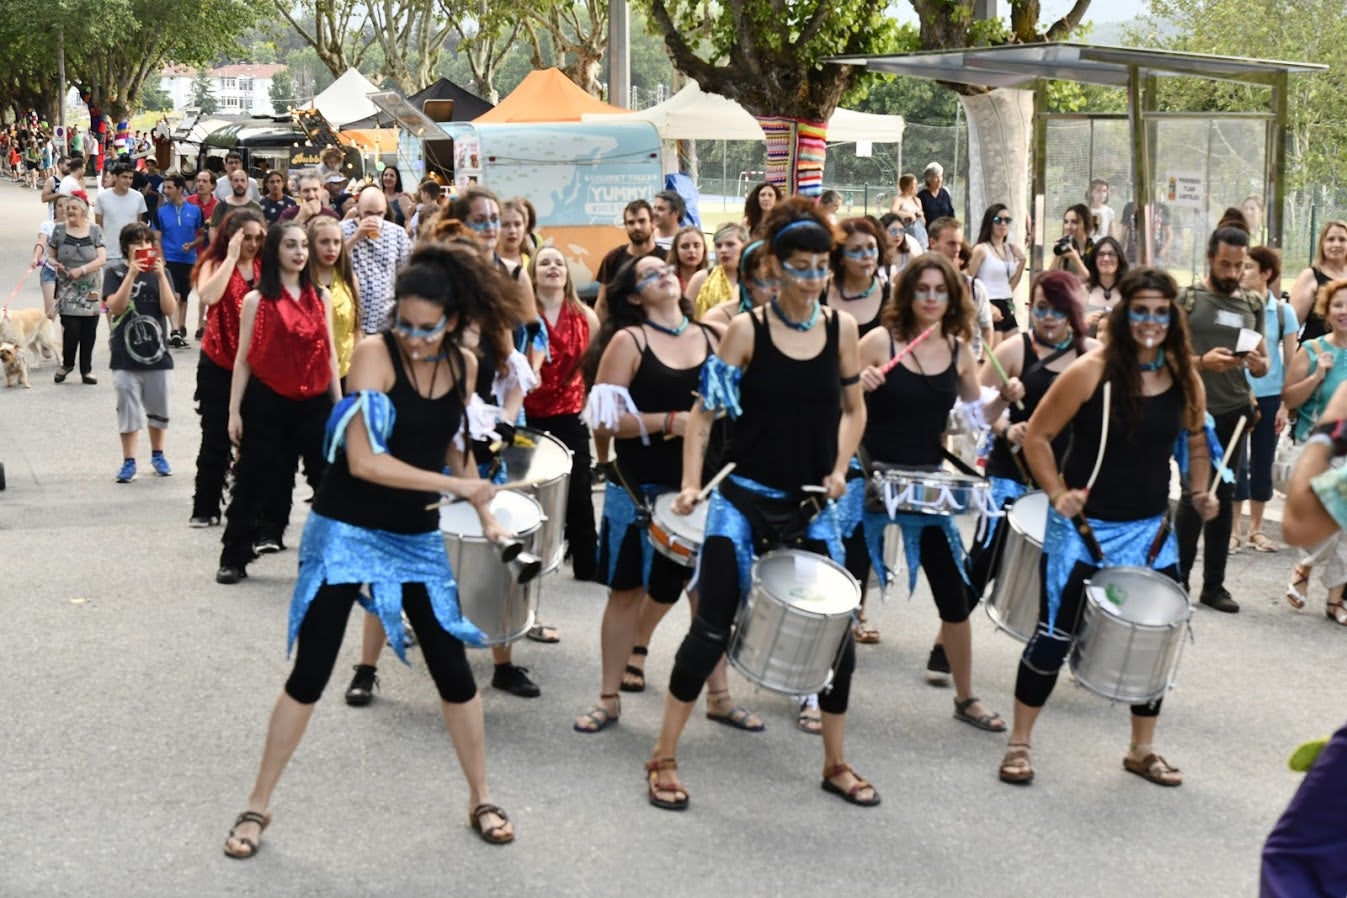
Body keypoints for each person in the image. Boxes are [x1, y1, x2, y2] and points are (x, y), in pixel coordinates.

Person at [220, 243, 519, 858]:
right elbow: (365, 460)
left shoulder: (463, 365)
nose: (412, 336)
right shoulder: (375, 355)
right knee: (311, 672)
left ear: (456, 320)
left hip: (413, 538)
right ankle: (257, 805)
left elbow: (453, 445)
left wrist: (486, 510)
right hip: (347, 529)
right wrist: (455, 486)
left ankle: (481, 796)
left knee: (454, 669)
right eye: (403, 323)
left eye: (425, 327)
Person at [645, 197, 874, 811]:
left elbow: (854, 412)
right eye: (800, 268)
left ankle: (835, 762)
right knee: (710, 628)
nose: (812, 280)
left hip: (809, 507)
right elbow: (702, 417)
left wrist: (837, 467)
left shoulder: (842, 331)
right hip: (742, 502)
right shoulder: (747, 331)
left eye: (821, 268)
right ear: (775, 266)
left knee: (839, 643)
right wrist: (693, 482)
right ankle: (663, 754)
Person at [999, 267, 1216, 788]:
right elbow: (1037, 439)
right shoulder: (1091, 372)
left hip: (1150, 531)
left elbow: (1197, 441)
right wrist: (1056, 494)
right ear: (1124, 315)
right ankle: (1019, 744)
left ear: (1173, 319)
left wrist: (1199, 490)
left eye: (1160, 311)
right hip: (1081, 529)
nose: (1150, 321)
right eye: (1139, 309)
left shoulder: (1185, 378)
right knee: (1052, 638)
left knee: (1156, 637)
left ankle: (1142, 749)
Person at [577, 254, 761, 735]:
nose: (665, 275)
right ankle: (608, 698)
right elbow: (603, 420)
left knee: (709, 595)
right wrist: (670, 422)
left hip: (703, 486)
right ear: (634, 295)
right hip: (640, 486)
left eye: (666, 269)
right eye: (651, 274)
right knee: (626, 594)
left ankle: (719, 697)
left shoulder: (714, 336)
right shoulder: (628, 340)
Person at [857, 252, 1021, 730]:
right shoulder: (878, 341)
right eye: (922, 289)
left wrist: (1002, 404)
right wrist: (860, 385)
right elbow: (837, 404)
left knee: (954, 595)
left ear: (953, 298)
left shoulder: (957, 350)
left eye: (940, 291)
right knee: (845, 592)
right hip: (868, 481)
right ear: (907, 293)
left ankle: (966, 697)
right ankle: (815, 691)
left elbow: (974, 423)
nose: (930, 298)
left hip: (925, 489)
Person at [217, 220, 341, 584]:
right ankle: (234, 556)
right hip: (268, 400)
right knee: (253, 479)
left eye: (304, 245)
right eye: (291, 245)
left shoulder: (322, 296)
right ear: (275, 250)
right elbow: (243, 359)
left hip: (316, 400)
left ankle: (332, 556)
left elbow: (330, 355)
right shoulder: (256, 300)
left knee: (328, 482)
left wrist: (340, 405)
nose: (300, 252)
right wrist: (233, 412)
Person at [967, 270, 1099, 595]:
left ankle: (1048, 641)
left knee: (1060, 576)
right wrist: (1006, 422)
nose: (1049, 317)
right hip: (1011, 474)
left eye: (1058, 309)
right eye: (1041, 308)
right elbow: (977, 414)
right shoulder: (1013, 351)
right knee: (983, 562)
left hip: (1067, 481)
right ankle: (947, 640)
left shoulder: (1094, 354)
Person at [1175, 226, 1270, 613]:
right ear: (1210, 260)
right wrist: (1202, 363)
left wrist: (1259, 365)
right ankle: (1175, 581)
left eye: (1239, 265)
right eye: (1225, 264)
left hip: (1234, 411)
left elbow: (1262, 366)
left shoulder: (1253, 303)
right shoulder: (1188, 300)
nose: (1232, 272)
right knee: (1192, 496)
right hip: (1194, 411)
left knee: (1224, 494)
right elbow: (1169, 358)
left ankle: (1213, 586)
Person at [523, 246, 599, 582]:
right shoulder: (521, 317)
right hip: (527, 415)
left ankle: (587, 564)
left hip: (570, 415)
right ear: (533, 272)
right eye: (544, 263)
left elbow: (595, 367)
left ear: (567, 274)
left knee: (580, 492)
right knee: (525, 492)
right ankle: (523, 562)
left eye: (558, 263)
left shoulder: (585, 316)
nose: (552, 267)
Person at [189, 209, 266, 528]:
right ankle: (205, 506)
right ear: (231, 237)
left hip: (257, 365)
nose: (252, 244)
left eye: (258, 237)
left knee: (258, 439)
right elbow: (208, 295)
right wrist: (232, 258)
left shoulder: (267, 266)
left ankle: (253, 506)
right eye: (245, 238)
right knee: (216, 436)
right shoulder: (215, 264)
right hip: (219, 362)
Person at [1281, 276, 1347, 622]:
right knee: (1337, 515)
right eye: (1338, 304)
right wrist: (1318, 376)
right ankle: (1306, 567)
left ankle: (1335, 598)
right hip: (1317, 449)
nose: (1345, 311)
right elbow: (1289, 399)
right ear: (1327, 309)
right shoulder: (1312, 350)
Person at [1232, 246, 1296, 556]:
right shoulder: (1235, 307)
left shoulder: (1284, 313)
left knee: (1262, 462)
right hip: (1236, 395)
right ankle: (1234, 530)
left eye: (1247, 267)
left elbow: (1292, 362)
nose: (1241, 272)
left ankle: (1256, 529)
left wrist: (1287, 404)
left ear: (1265, 274)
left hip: (1270, 398)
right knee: (1236, 461)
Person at [103, 223, 177, 483]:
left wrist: (159, 277)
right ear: (126, 247)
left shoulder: (163, 273)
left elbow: (169, 309)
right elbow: (116, 307)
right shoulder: (114, 273)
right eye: (137, 243)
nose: (143, 248)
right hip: (124, 354)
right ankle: (129, 460)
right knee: (127, 409)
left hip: (157, 354)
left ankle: (158, 454)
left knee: (159, 407)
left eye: (147, 243)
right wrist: (131, 275)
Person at [49, 190, 106, 385]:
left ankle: (86, 370)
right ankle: (67, 364)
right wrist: (54, 263)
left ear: (83, 210)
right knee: (71, 327)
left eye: (73, 208)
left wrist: (82, 269)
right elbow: (50, 255)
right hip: (67, 287)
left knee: (89, 331)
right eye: (67, 208)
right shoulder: (59, 230)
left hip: (90, 287)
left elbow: (102, 259)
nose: (69, 211)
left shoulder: (95, 230)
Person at [342, 186, 413, 336]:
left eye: (379, 213)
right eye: (368, 213)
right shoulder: (342, 230)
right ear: (358, 208)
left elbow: (407, 275)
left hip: (386, 324)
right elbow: (332, 266)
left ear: (386, 211)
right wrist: (356, 237)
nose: (374, 218)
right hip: (350, 325)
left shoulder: (397, 233)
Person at [928, 216, 993, 362]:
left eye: (959, 243)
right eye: (951, 243)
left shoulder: (975, 288)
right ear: (933, 242)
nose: (957, 249)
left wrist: (982, 362)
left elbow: (987, 330)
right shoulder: (917, 285)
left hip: (969, 364)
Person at [152, 173, 205, 343]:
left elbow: (202, 235)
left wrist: (192, 244)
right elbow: (156, 238)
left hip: (189, 260)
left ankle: (180, 328)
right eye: (164, 187)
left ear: (180, 189)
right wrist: (161, 258)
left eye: (169, 187)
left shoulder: (195, 211)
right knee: (173, 295)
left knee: (183, 297)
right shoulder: (160, 213)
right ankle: (174, 330)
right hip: (169, 259)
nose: (166, 191)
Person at [308, 216, 361, 386]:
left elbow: (357, 328)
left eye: (337, 242)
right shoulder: (301, 281)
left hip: (346, 371)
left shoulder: (349, 280)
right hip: (309, 374)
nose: (332, 248)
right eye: (324, 242)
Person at [594, 199, 665, 319]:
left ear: (653, 223)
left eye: (642, 221)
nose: (636, 227)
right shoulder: (613, 258)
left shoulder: (666, 258)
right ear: (625, 226)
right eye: (631, 223)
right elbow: (602, 304)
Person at [968, 204, 1026, 344]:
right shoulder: (981, 249)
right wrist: (986, 305)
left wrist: (1022, 261)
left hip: (1007, 304)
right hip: (989, 304)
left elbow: (1011, 284)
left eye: (1007, 220)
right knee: (994, 358)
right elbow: (967, 281)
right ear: (990, 222)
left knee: (1017, 351)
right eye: (998, 220)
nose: (1003, 224)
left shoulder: (1010, 249)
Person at [826, 217, 887, 338]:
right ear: (840, 257)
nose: (867, 256)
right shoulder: (820, 292)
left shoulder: (893, 296)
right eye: (856, 250)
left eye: (871, 247)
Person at [1289, 220, 1347, 344]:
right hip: (1316, 355)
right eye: (1330, 239)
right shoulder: (1310, 276)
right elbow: (1292, 326)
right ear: (1322, 244)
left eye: (1342, 240)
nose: (1336, 244)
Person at [687, 222, 747, 319]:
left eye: (730, 244)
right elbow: (684, 318)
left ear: (745, 245)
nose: (723, 250)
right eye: (718, 246)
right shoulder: (701, 278)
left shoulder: (755, 280)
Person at [29, 195, 67, 320]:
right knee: (50, 314)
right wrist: (36, 257)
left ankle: (65, 340)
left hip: (69, 273)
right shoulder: (47, 225)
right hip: (50, 270)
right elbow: (41, 242)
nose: (62, 208)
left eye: (65, 205)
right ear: (54, 208)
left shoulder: (75, 227)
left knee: (67, 317)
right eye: (59, 205)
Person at [1083, 236, 1127, 337]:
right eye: (1101, 254)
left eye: (1111, 254)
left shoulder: (1128, 291)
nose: (1106, 259)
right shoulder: (1082, 291)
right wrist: (1085, 323)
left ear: (1119, 258)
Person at [1052, 204, 1093, 280]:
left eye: (1074, 222)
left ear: (1086, 223)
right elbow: (1048, 279)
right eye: (1066, 222)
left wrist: (1075, 259)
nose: (1068, 226)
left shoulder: (1094, 248)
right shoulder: (1064, 246)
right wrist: (1057, 255)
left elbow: (1093, 281)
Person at [888, 173, 927, 248]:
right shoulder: (899, 199)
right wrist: (909, 215)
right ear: (907, 186)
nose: (916, 187)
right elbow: (893, 212)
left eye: (916, 184)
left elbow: (923, 222)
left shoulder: (917, 200)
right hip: (906, 234)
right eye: (914, 184)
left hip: (920, 236)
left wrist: (920, 215)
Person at [495, 198, 530, 278]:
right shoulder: (484, 263)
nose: (512, 231)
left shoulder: (532, 264)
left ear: (525, 227)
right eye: (505, 225)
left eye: (517, 224)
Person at [669, 225, 707, 297]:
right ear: (676, 250)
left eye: (696, 246)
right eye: (685, 246)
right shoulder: (667, 279)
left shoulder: (712, 278)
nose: (691, 251)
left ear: (704, 249)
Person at [916, 163, 955, 227]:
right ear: (929, 180)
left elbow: (951, 213)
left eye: (940, 176)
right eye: (936, 177)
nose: (939, 180)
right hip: (929, 232)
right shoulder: (922, 196)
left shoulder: (945, 192)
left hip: (944, 230)